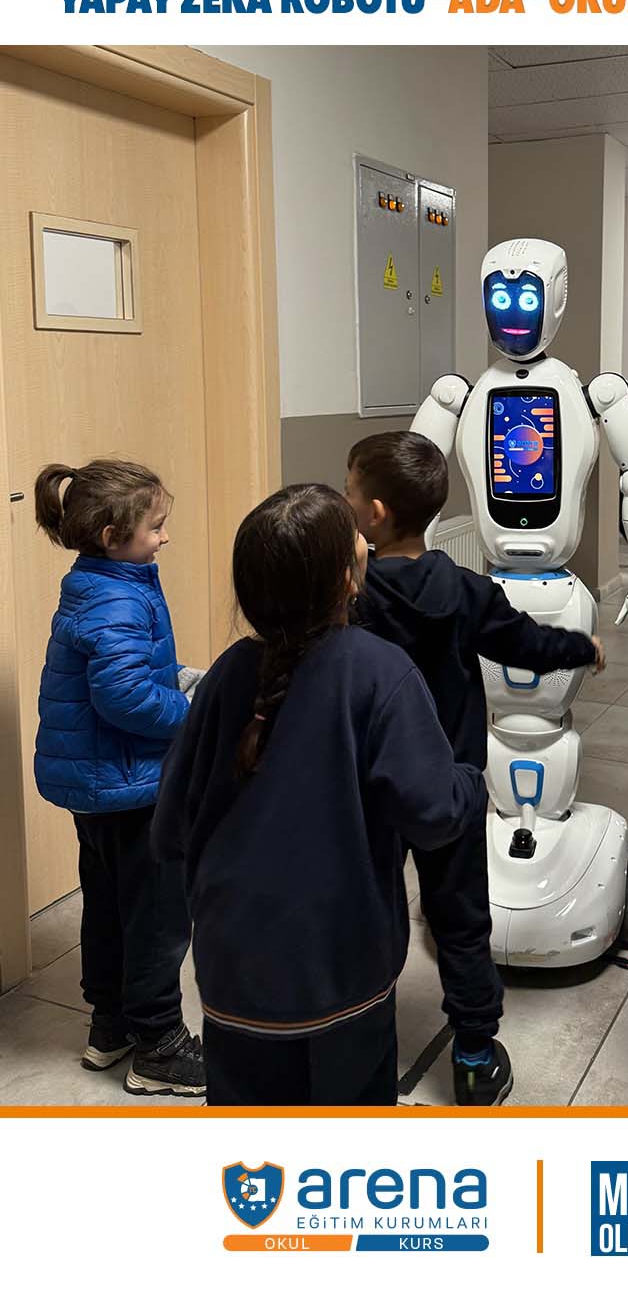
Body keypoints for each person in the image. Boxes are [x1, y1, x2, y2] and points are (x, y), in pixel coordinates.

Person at [152, 485, 487, 1107]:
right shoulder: (380, 672)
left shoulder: (226, 674)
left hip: (232, 971)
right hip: (341, 972)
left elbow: (170, 827)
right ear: (346, 579)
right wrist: (470, 780)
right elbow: (436, 813)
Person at [345, 432, 604, 1106]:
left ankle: (359, 1036)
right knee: (460, 919)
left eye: (349, 491)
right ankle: (473, 1053)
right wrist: (581, 647)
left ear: (374, 513)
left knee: (367, 910)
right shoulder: (467, 590)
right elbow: (527, 645)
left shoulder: (354, 596)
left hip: (371, 785)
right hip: (451, 783)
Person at [33, 460, 205, 1097]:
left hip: (99, 787)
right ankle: (159, 1046)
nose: (164, 537)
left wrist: (181, 678)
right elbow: (125, 696)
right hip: (132, 788)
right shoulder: (118, 597)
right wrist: (192, 714)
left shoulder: (96, 583)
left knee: (107, 908)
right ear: (112, 536)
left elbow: (125, 670)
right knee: (157, 918)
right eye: (155, 527)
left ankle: (110, 1026)